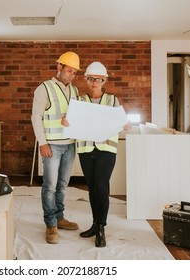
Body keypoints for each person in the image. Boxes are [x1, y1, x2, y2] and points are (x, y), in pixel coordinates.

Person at [62, 61, 131, 247]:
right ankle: (95, 223)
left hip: (106, 150)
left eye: (98, 80)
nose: (94, 83)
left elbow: (122, 122)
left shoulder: (112, 100)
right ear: (86, 80)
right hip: (86, 149)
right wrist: (66, 121)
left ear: (104, 81)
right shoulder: (80, 101)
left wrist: (125, 124)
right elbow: (71, 121)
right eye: (91, 79)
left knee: (101, 186)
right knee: (92, 187)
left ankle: (101, 228)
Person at [31, 51, 81, 244]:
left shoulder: (74, 91)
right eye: (69, 70)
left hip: (69, 145)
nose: (72, 75)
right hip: (51, 145)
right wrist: (42, 142)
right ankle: (50, 223)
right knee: (50, 186)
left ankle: (59, 218)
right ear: (59, 67)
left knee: (62, 185)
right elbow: (36, 117)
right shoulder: (44, 88)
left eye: (75, 72)